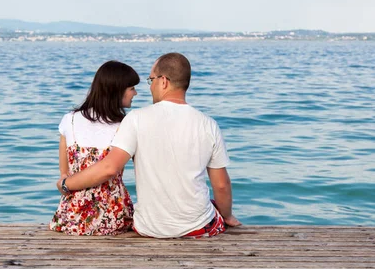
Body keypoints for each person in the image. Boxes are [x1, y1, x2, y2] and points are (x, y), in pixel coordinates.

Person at [57, 52, 241, 238]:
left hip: (149, 228)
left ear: (163, 82)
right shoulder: (209, 124)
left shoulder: (135, 119)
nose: (149, 86)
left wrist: (65, 184)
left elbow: (110, 167)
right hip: (198, 228)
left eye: (150, 80)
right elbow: (222, 185)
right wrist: (227, 215)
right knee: (211, 205)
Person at [50, 60, 139, 235]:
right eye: (131, 88)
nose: (135, 93)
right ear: (117, 90)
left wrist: (65, 185)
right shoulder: (125, 125)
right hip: (113, 216)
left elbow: (64, 173)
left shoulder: (70, 119)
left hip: (71, 216)